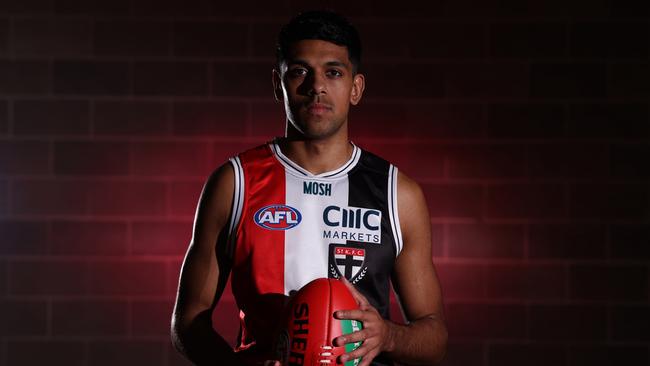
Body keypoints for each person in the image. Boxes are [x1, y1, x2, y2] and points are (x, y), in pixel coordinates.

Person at [171, 10, 448, 366]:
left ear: (356, 88)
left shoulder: (398, 194)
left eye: (333, 72)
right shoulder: (234, 183)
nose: (317, 85)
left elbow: (435, 338)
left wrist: (389, 335)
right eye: (300, 71)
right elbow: (188, 323)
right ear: (278, 85)